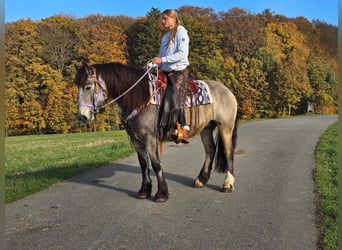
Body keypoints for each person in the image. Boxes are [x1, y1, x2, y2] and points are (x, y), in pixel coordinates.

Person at [151, 9, 190, 143]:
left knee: (174, 93)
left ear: (173, 18)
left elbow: (182, 54)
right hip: (165, 71)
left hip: (179, 71)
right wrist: (153, 64)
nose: (163, 21)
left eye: (165, 18)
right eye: (162, 18)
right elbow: (161, 57)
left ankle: (183, 127)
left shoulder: (181, 32)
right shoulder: (165, 37)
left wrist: (161, 60)